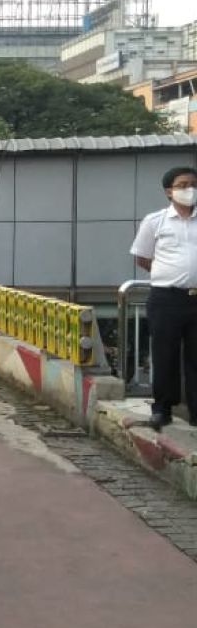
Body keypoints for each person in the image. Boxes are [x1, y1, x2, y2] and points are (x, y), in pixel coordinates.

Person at [130, 165, 197, 431]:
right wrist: (170, 274)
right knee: (165, 354)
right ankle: (163, 410)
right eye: (182, 185)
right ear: (169, 191)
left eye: (193, 183)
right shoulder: (155, 221)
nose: (189, 189)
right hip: (166, 297)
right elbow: (142, 257)